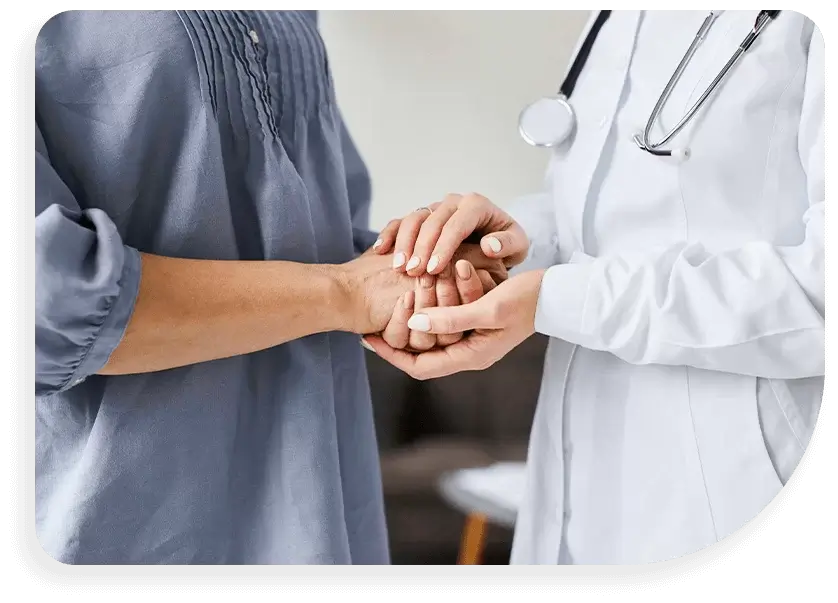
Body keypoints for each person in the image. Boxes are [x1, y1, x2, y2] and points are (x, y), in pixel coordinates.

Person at [35, 9, 517, 565]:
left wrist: (426, 267)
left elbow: (316, 233)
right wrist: (348, 294)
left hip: (319, 501)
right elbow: (50, 300)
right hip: (126, 514)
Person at [366, 8, 826, 564]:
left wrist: (557, 299)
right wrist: (500, 247)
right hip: (573, 475)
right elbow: (596, 214)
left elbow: (819, 290)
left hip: (728, 482)